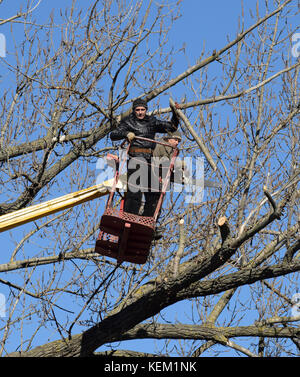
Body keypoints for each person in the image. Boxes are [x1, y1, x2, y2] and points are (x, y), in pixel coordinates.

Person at [110, 98, 180, 220]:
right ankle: (129, 218)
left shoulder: (151, 121)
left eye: (142, 110)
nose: (140, 112)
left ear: (146, 110)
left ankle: (147, 219)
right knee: (135, 190)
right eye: (138, 110)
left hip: (149, 161)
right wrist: (126, 134)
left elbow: (171, 127)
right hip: (135, 159)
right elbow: (113, 135)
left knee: (155, 192)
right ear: (134, 111)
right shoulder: (128, 122)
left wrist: (175, 114)